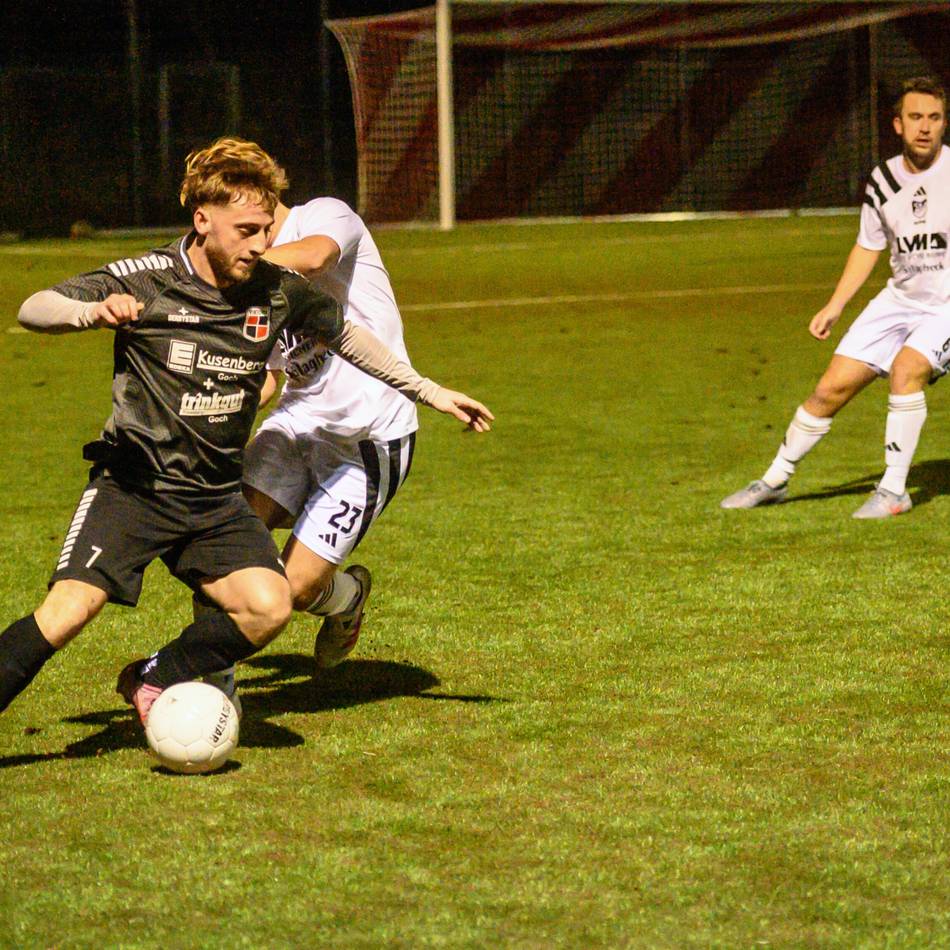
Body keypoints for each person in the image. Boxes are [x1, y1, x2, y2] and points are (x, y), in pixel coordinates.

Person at [0, 137, 492, 725]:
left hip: (212, 498)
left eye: (266, 228)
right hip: (135, 488)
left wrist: (430, 391)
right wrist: (90, 311)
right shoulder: (151, 277)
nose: (262, 244)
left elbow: (347, 336)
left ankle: (159, 678)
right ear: (202, 220)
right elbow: (35, 306)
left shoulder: (274, 287)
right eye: (247, 230)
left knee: (273, 604)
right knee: (68, 612)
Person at [721, 76, 950, 518]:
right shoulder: (882, 181)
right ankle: (774, 481)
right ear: (898, 124)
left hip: (946, 307)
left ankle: (894, 491)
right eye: (916, 117)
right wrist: (835, 305)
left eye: (934, 118)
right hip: (899, 300)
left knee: (907, 369)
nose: (925, 127)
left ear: (944, 124)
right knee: (830, 389)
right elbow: (869, 245)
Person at [232, 195, 422, 675]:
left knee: (293, 590)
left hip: (368, 436)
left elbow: (316, 257)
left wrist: (232, 264)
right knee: (227, 547)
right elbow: (272, 374)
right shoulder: (249, 274)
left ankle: (347, 598)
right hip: (298, 421)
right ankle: (213, 684)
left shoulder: (324, 216)